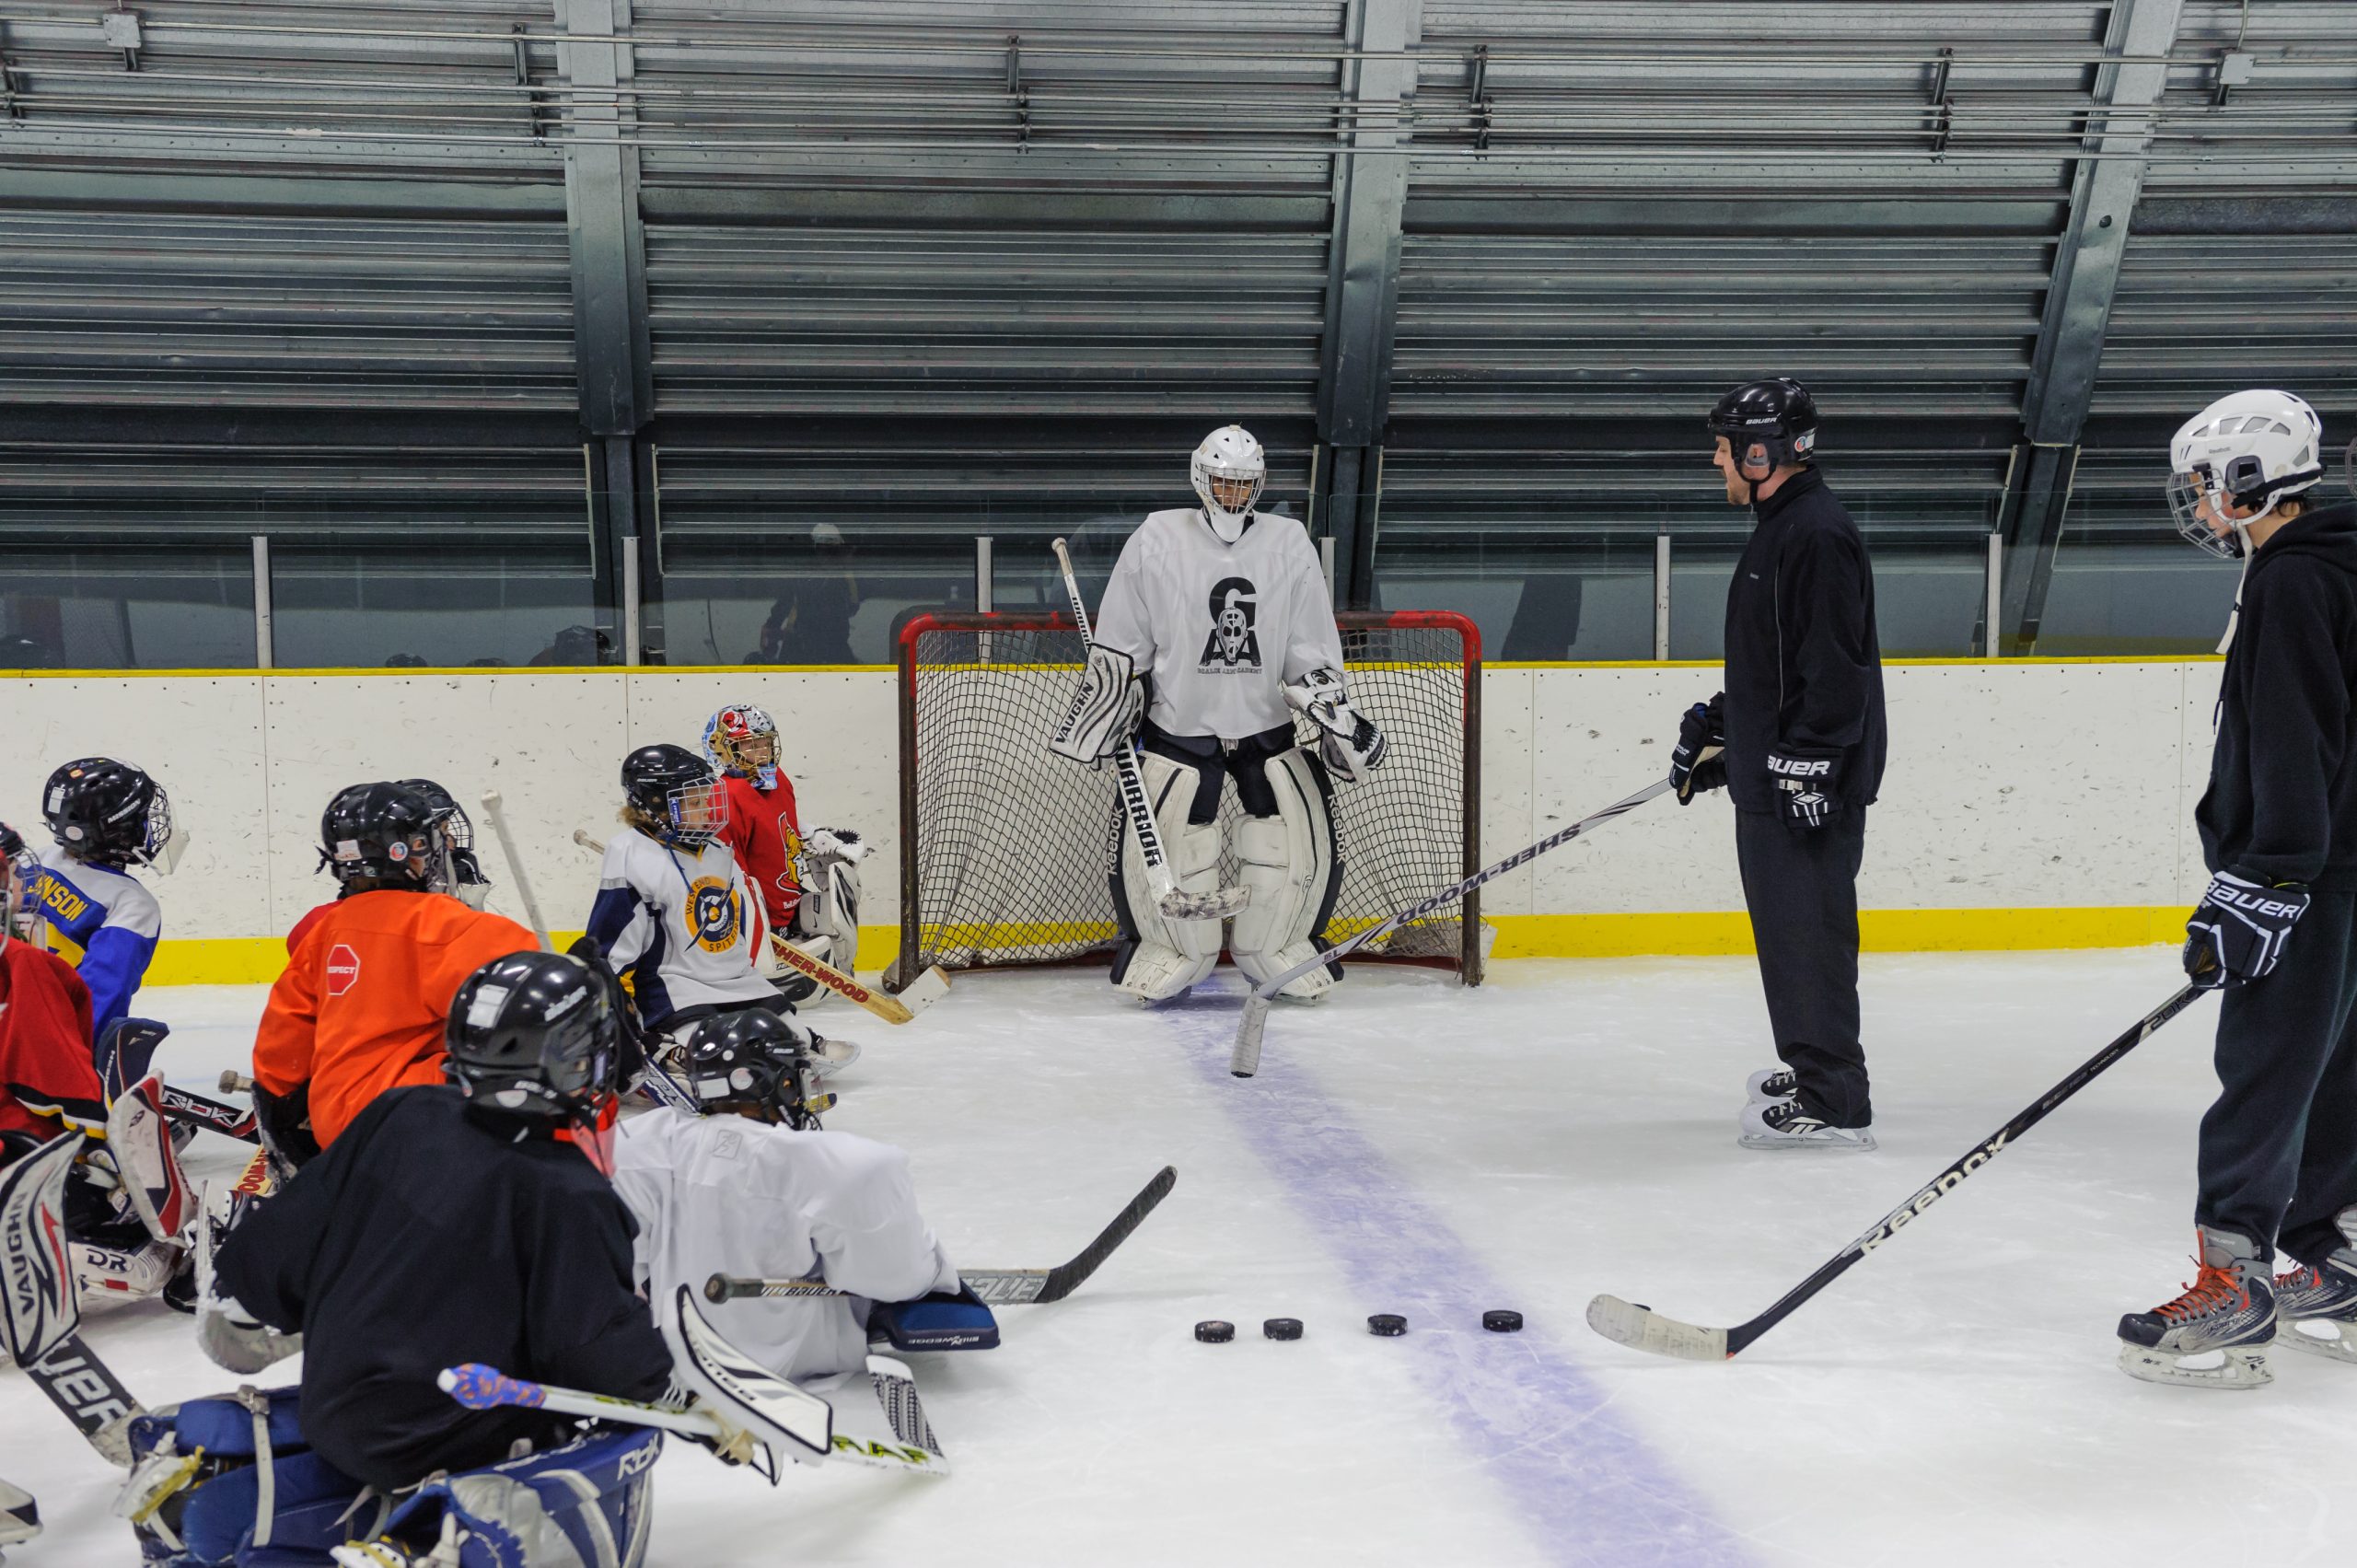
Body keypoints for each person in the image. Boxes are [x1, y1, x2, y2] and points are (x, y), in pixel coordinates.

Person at [212, 949, 682, 1493]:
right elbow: (594, 1355)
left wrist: (247, 1299)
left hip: (332, 1408)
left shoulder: (403, 1111)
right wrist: (665, 1386)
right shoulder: (569, 1190)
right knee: (608, 1437)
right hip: (432, 1441)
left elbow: (288, 1239)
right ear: (575, 1062)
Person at [2118, 389, 2357, 1388]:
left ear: (2250, 481)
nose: (2199, 502)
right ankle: (2326, 1255)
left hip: (2305, 872)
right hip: (2345, 868)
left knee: (2262, 1074)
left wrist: (2266, 876)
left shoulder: (2290, 584)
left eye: (2205, 484)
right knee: (2335, 1068)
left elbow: (2292, 734)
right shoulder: (2338, 562)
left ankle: (2235, 1285)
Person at [1049, 424, 1387, 1003]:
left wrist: (1329, 705)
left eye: (1243, 483)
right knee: (1180, 841)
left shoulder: (1287, 542)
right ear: (1201, 479)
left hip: (1265, 724)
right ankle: (1174, 949)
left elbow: (1310, 639)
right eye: (1224, 482)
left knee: (1288, 840)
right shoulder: (1157, 537)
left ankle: (1275, 946)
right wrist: (1112, 702)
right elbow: (1126, 637)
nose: (1233, 494)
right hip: (1181, 725)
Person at [1670, 377, 1887, 1152]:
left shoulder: (1815, 533)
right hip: (1782, 772)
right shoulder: (1782, 527)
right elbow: (1779, 661)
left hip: (1808, 786)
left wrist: (1806, 763)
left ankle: (1834, 1096)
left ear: (1761, 452)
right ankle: (1813, 1062)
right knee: (1787, 933)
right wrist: (1727, 728)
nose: (1717, 462)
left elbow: (1834, 668)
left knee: (1811, 934)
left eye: (1725, 448)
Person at [613, 1008, 957, 1382]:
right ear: (787, 1084)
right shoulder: (843, 1164)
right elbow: (896, 1280)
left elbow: (627, 1266)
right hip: (796, 1379)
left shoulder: (638, 1144)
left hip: (673, 1364)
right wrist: (934, 1266)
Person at [250, 783, 538, 1164]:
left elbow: (280, 1050)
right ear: (413, 850)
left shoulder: (324, 931)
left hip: (333, 1121)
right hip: (414, 1117)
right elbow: (543, 992)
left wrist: (288, 1116)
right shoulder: (448, 925)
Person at [585, 745, 857, 1074]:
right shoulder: (630, 854)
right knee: (717, 1058)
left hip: (738, 981)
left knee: (791, 1044)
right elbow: (610, 940)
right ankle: (662, 1048)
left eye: (706, 798)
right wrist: (616, 1007)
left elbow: (735, 927)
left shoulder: (717, 851)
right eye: (694, 802)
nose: (708, 810)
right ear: (655, 805)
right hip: (677, 988)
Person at [5, 757, 185, 1052]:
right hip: (43, 1046)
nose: (150, 823)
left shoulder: (40, 859)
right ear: (115, 830)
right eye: (141, 817)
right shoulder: (131, 904)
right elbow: (100, 999)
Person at [703, 703, 869, 996]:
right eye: (750, 745)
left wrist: (811, 838)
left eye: (765, 741)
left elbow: (777, 826)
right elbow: (733, 876)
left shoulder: (777, 779)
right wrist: (754, 933)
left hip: (790, 903)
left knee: (842, 893)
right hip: (764, 921)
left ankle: (838, 972)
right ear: (723, 751)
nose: (763, 751)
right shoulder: (726, 798)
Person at [284, 778, 493, 956]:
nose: (451, 843)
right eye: (441, 832)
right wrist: (468, 908)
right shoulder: (442, 925)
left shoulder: (314, 926)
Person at [756, 524, 861, 664]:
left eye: (832, 548)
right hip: (800, 646)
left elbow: (853, 606)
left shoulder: (848, 577)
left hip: (834, 647)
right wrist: (771, 627)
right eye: (823, 548)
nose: (827, 554)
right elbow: (785, 603)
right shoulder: (803, 576)